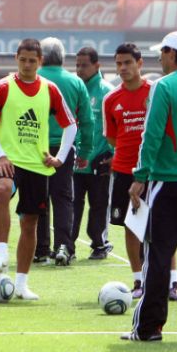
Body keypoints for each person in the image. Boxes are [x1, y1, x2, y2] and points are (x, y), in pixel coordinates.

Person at [0, 38, 78, 300]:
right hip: (9, 160)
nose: (26, 65)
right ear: (16, 59)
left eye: (32, 60)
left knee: (30, 223)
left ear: (40, 62)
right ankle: (1, 252)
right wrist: (1, 155)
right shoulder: (2, 87)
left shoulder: (50, 89)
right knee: (1, 189)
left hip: (38, 165)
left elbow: (71, 125)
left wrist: (60, 157)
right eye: (22, 59)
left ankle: (21, 284)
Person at [103, 43, 177, 300]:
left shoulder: (158, 90)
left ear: (140, 64)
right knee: (132, 226)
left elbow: (156, 132)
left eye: (128, 62)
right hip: (126, 170)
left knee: (163, 229)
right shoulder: (111, 99)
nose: (123, 68)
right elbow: (113, 139)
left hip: (154, 172)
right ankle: (138, 281)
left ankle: (172, 282)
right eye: (118, 64)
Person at [121, 31, 177, 342]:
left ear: (172, 54)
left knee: (157, 257)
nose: (160, 57)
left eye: (163, 52)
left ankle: (148, 328)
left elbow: (152, 135)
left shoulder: (164, 87)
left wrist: (140, 176)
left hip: (169, 183)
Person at [35, 37, 94, 266]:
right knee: (63, 198)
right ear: (62, 57)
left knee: (38, 197)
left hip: (34, 148)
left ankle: (40, 248)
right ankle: (64, 246)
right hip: (65, 147)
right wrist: (86, 151)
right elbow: (87, 121)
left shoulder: (33, 80)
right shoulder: (76, 83)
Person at [71, 47, 115, 260]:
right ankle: (67, 243)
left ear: (97, 66)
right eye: (77, 65)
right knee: (72, 204)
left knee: (99, 204)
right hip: (76, 161)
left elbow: (116, 126)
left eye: (84, 65)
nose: (79, 69)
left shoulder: (107, 92)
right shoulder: (73, 89)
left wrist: (112, 154)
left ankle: (99, 243)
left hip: (100, 160)